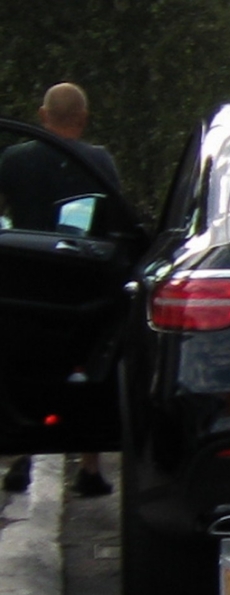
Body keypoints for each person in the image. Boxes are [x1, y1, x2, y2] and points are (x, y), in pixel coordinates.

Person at [2, 83, 120, 500]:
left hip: (25, 283)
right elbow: (112, 221)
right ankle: (89, 468)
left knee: (23, 367)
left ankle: (21, 457)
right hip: (80, 283)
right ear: (83, 118)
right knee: (84, 371)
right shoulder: (98, 162)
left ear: (42, 115)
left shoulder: (14, 161)